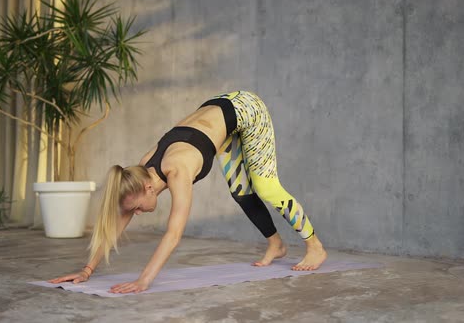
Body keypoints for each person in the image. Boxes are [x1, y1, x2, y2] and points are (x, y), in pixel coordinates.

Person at [49, 91, 327, 293]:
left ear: (148, 188)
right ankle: (276, 245)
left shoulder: (178, 170)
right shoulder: (142, 171)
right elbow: (116, 223)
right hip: (218, 115)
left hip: (246, 109)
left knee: (265, 186)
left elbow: (174, 233)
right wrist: (87, 270)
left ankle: (315, 247)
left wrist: (144, 280)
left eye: (136, 208)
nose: (136, 214)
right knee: (241, 191)